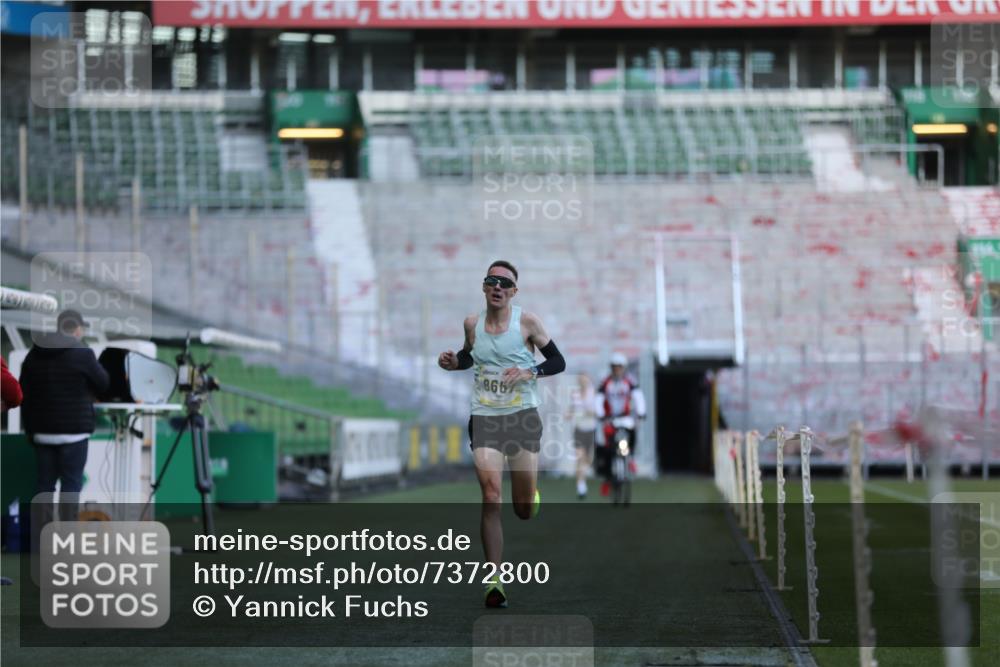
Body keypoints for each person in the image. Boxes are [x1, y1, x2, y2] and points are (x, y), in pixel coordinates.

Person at [438, 260, 565, 608]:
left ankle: (530, 497)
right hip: (485, 418)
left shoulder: (527, 323)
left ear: (513, 292)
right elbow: (469, 357)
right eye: (492, 281)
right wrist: (454, 362)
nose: (497, 287)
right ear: (484, 287)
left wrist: (530, 371)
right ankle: (494, 580)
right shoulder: (471, 324)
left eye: (505, 283)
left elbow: (558, 362)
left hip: (522, 418)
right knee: (491, 495)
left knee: (522, 509)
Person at [18, 310, 109, 521]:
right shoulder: (83, 353)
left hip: (42, 432)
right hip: (74, 433)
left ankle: (42, 541)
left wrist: (30, 430)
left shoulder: (34, 353)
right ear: (77, 329)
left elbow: (23, 392)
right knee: (71, 486)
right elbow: (104, 384)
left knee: (44, 487)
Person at [594, 352, 646, 496]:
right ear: (611, 368)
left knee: (633, 433)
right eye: (614, 367)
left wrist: (641, 413)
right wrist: (600, 414)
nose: (617, 370)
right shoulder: (605, 382)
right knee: (607, 449)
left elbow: (638, 397)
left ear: (624, 368)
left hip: (626, 418)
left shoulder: (630, 381)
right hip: (610, 419)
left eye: (620, 367)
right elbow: (598, 399)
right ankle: (607, 479)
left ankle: (631, 459)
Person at [566, 373, 596, 500]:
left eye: (584, 379)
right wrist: (569, 413)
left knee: (589, 459)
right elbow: (572, 408)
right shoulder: (575, 394)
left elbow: (597, 411)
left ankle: (582, 476)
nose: (582, 382)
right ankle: (581, 485)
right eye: (580, 380)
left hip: (591, 429)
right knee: (580, 457)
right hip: (579, 430)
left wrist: (589, 412)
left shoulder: (593, 393)